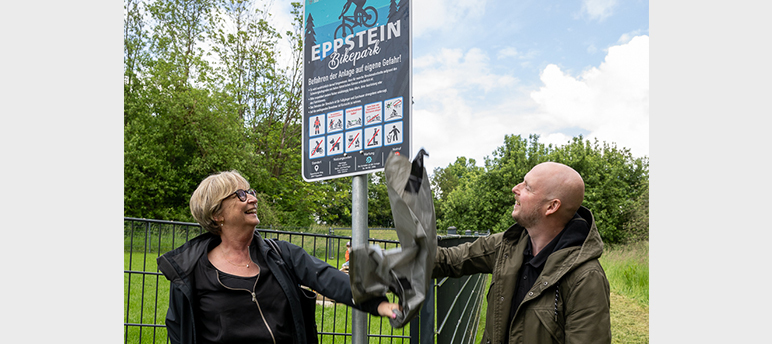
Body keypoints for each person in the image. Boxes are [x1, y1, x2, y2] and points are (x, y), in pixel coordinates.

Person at [157, 170, 400, 344]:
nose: (253, 198)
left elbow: (327, 277)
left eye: (250, 192)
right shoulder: (189, 272)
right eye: (240, 195)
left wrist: (379, 304)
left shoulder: (281, 254)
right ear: (217, 214)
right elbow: (178, 333)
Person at [433, 162, 611, 344]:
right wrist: (412, 254)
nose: (515, 189)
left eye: (527, 187)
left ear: (551, 207)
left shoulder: (586, 278)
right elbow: (449, 260)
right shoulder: (508, 244)